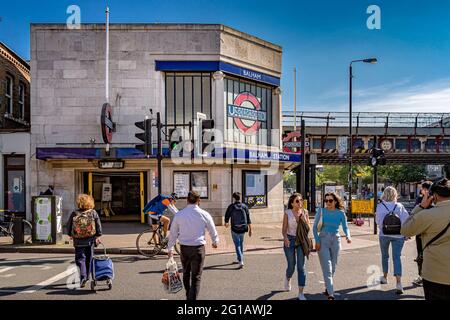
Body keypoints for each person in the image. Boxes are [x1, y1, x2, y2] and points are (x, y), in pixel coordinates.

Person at [401, 178, 450, 300]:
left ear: (435, 195)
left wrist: (421, 206)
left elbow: (406, 230)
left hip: (435, 274)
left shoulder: (427, 215)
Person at [167, 191, 219, 300]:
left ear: (187, 200)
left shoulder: (179, 215)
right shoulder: (204, 214)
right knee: (196, 277)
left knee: (186, 273)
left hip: (184, 248)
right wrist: (215, 241)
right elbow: (212, 229)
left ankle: (188, 295)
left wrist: (170, 248)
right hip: (198, 248)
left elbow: (173, 233)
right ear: (199, 201)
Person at [313, 192, 351, 300]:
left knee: (333, 267)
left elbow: (345, 227)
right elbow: (315, 228)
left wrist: (348, 236)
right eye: (326, 201)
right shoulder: (321, 211)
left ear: (335, 201)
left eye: (330, 201)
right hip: (323, 239)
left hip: (336, 240)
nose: (328, 203)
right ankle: (330, 294)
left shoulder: (340, 213)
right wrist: (317, 241)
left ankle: (327, 286)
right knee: (327, 268)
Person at [375, 186, 409, 294]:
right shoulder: (399, 206)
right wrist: (406, 234)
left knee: (385, 256)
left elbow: (378, 221)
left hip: (384, 234)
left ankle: (384, 277)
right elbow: (405, 220)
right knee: (396, 257)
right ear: (395, 194)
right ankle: (398, 283)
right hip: (398, 235)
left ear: (384, 194)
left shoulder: (380, 206)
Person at [67, 194, 102, 288]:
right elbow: (98, 225)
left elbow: (69, 225)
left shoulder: (74, 213)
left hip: (78, 240)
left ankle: (83, 276)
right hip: (90, 239)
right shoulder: (93, 212)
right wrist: (98, 235)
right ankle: (87, 276)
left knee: (80, 259)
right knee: (89, 258)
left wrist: (70, 235)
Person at [282, 193, 312, 300]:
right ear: (292, 203)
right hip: (290, 239)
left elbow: (308, 228)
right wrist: (285, 238)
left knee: (301, 266)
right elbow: (284, 228)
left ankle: (300, 293)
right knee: (291, 265)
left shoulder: (305, 212)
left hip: (301, 241)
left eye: (301, 200)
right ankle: (288, 277)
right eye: (297, 201)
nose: (300, 203)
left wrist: (302, 219)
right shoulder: (288, 213)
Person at [412, 181, 433, 286]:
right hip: (433, 231)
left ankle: (421, 276)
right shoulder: (437, 200)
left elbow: (414, 215)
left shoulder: (420, 200)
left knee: (421, 254)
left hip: (421, 232)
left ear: (426, 190)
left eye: (422, 188)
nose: (421, 190)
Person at [224, 192, 252, 268]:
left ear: (233, 198)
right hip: (243, 228)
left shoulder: (231, 206)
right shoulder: (244, 206)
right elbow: (248, 218)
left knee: (237, 244)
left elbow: (227, 215)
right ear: (240, 198)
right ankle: (240, 258)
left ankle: (240, 260)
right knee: (241, 243)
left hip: (234, 228)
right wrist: (250, 229)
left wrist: (226, 222)